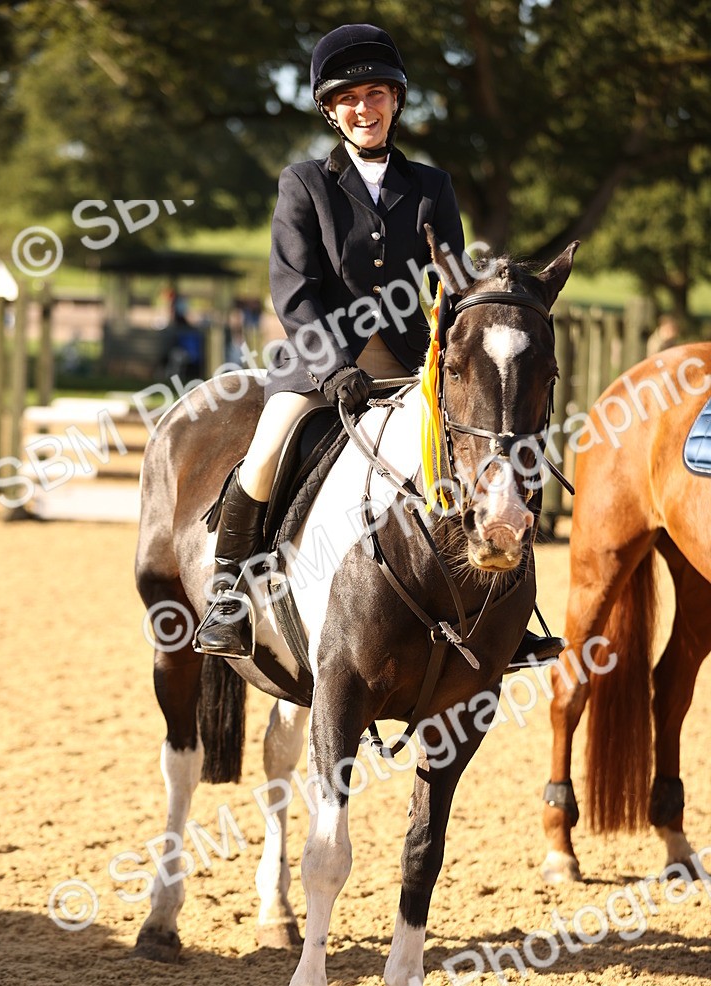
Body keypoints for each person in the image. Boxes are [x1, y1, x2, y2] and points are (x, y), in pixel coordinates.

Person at [195, 24, 562, 671]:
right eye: (350, 100)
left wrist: (453, 356)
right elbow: (294, 292)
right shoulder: (303, 183)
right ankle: (229, 594)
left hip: (414, 364)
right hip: (319, 362)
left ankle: (507, 610)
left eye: (375, 95)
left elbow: (455, 286)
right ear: (331, 111)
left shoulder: (431, 186)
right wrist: (333, 369)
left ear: (394, 101)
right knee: (266, 451)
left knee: (485, 451)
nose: (364, 109)